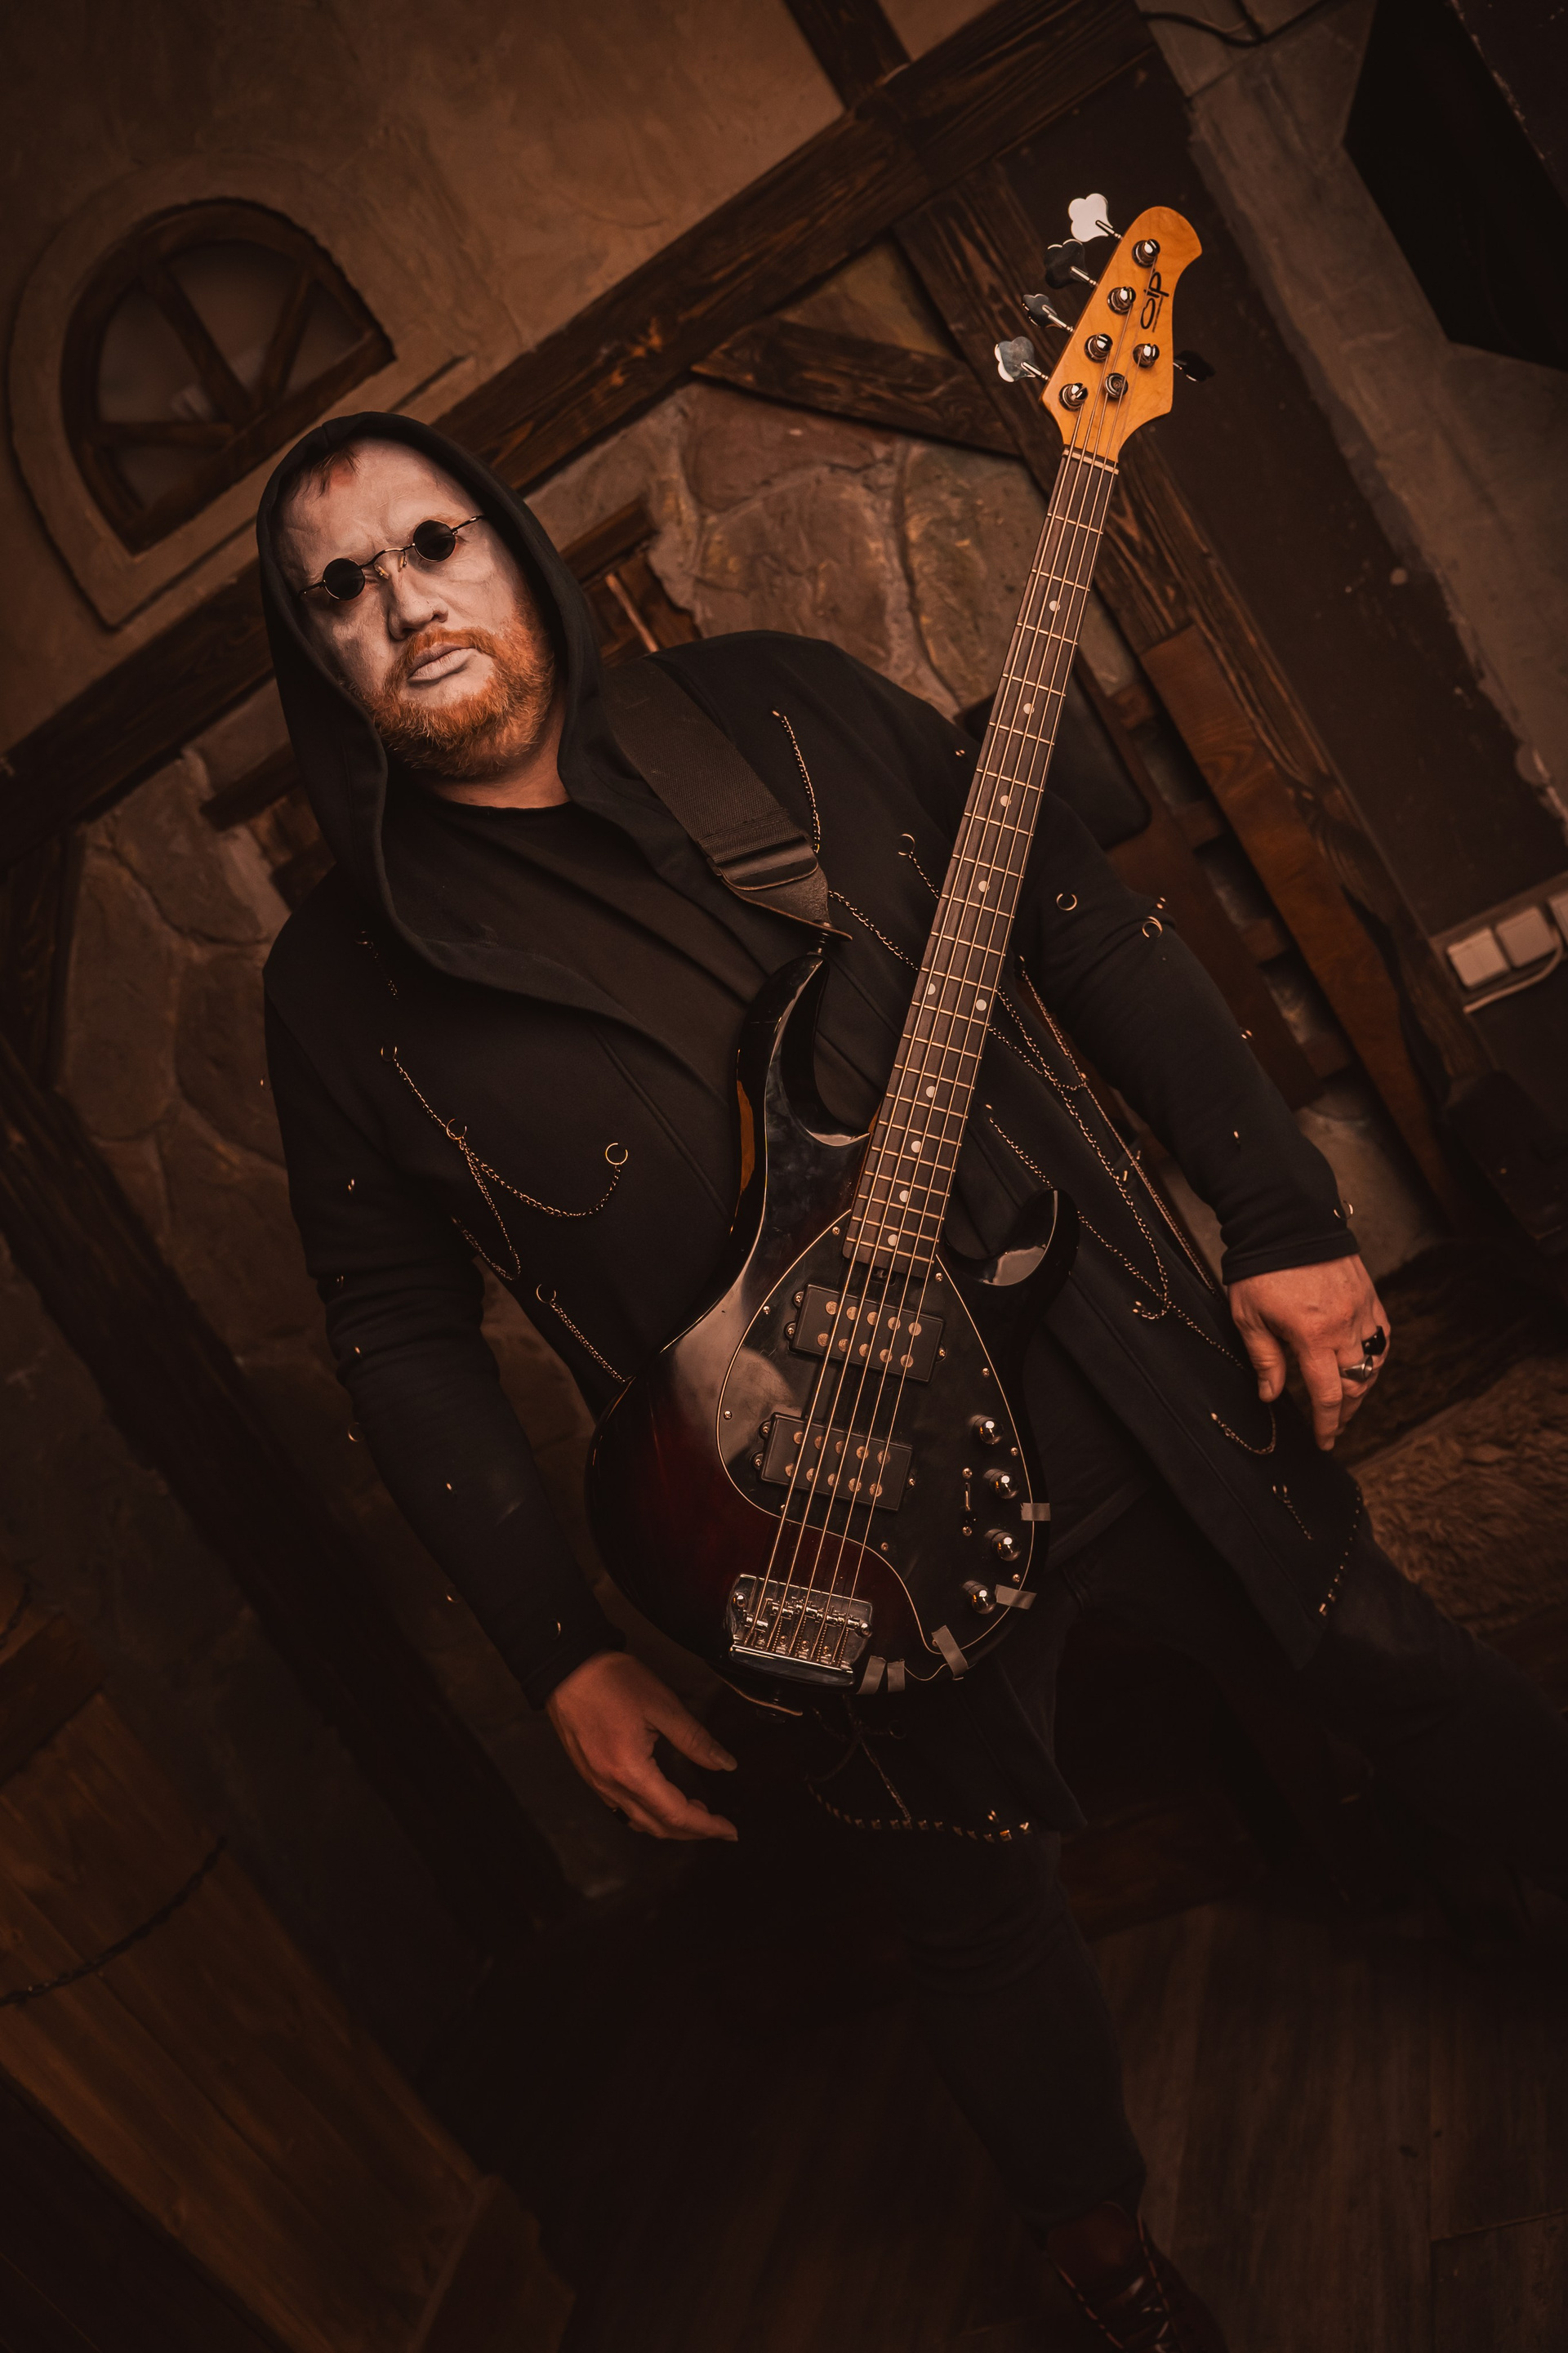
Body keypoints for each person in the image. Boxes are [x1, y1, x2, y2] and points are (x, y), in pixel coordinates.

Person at [257, 412, 1568, 2351]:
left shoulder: (784, 712)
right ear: (316, 650)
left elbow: (1090, 931)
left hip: (1116, 1369)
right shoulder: (335, 988)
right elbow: (394, 1328)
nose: (403, 600)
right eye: (342, 587)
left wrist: (1284, 1216)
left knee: (1382, 1651)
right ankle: (1107, 2261)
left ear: (512, 546)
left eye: (433, 541)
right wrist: (557, 1648)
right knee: (974, 1913)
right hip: (810, 1515)